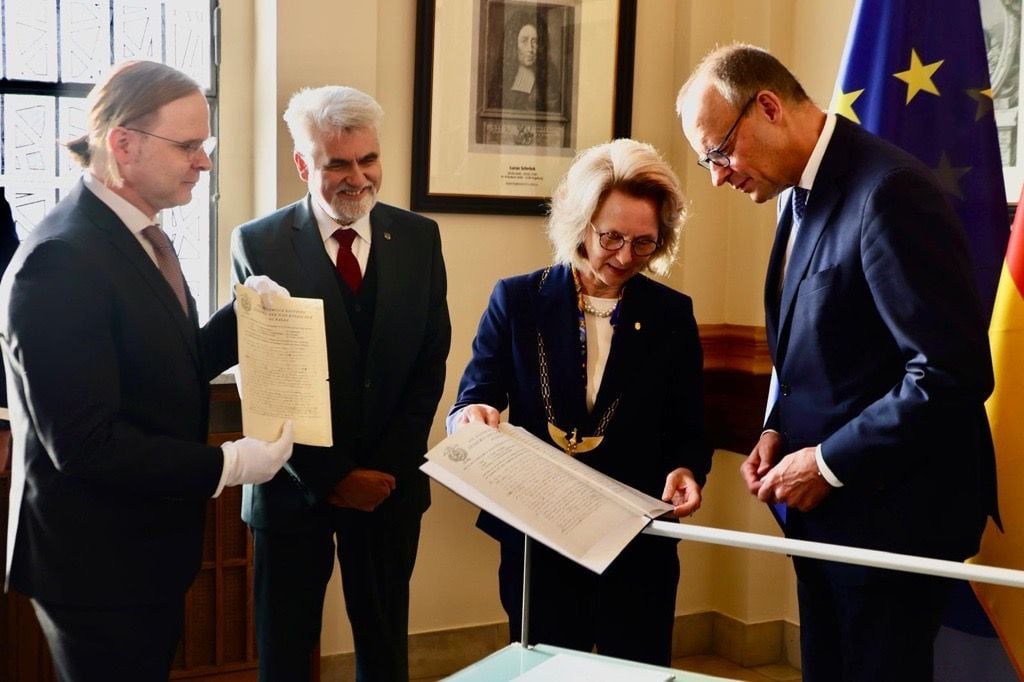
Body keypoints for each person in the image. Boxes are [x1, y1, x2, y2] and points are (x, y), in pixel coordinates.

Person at [676, 44, 1000, 681]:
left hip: (894, 522)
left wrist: (825, 462)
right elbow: (827, 354)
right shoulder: (793, 193)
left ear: (767, 106)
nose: (717, 176)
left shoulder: (889, 192)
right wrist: (776, 430)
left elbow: (949, 374)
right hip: (828, 519)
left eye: (719, 153)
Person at [0, 60, 294, 681]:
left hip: (146, 548)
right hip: (94, 563)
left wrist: (243, 318)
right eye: (188, 146)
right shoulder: (60, 260)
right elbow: (84, 445)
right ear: (123, 144)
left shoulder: (142, 236)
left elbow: (170, 365)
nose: (205, 162)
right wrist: (230, 464)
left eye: (205, 146)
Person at [448, 138, 711, 666]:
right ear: (579, 223)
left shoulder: (670, 314)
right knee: (546, 667)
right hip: (540, 537)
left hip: (637, 539)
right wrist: (470, 418)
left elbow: (689, 422)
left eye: (644, 243)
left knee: (634, 670)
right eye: (611, 237)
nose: (623, 256)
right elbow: (474, 396)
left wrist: (687, 468)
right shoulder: (518, 299)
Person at [231, 85, 451, 681]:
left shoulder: (419, 239)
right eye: (337, 164)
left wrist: (382, 472)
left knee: (384, 652)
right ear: (304, 165)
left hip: (390, 485)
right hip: (295, 488)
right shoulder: (260, 243)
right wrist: (334, 478)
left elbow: (430, 362)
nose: (358, 178)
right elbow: (269, 381)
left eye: (369, 160)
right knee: (285, 651)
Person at [487, 10, 561, 112]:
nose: (530, 49)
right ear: (513, 43)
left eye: (534, 42)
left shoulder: (549, 77)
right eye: (524, 41)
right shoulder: (502, 75)